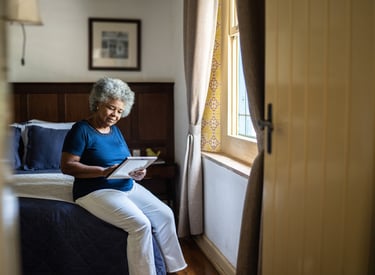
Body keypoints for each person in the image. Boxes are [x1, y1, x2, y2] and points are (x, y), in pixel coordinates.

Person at [60, 77, 187, 275]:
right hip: (95, 191)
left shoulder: (115, 131)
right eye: (111, 108)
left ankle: (174, 269)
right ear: (98, 103)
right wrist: (102, 172)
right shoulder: (81, 130)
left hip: (126, 186)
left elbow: (124, 161)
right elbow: (67, 166)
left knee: (165, 215)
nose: (115, 115)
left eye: (120, 111)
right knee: (141, 224)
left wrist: (139, 172)